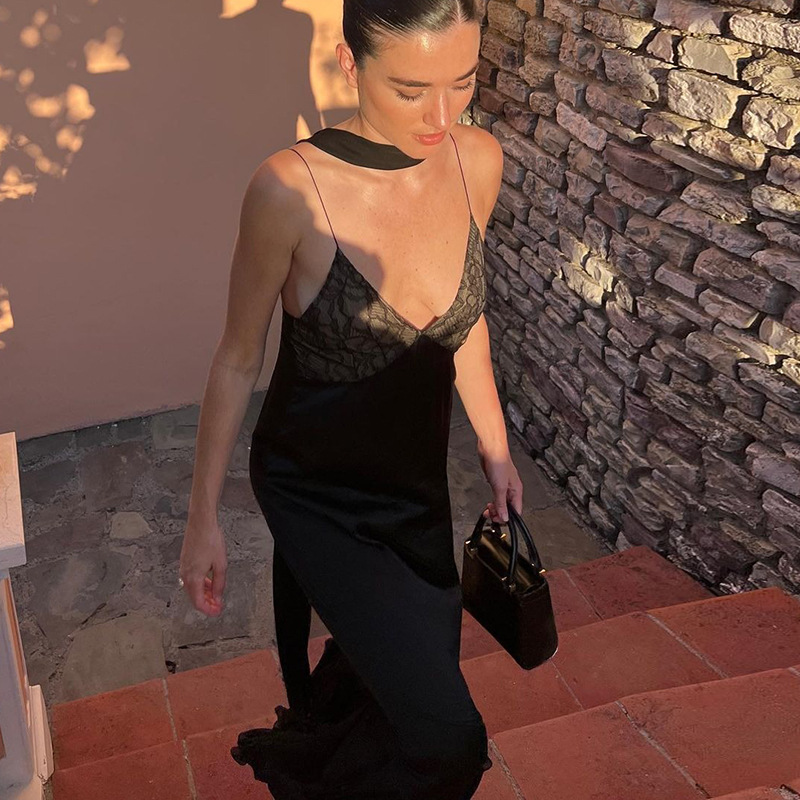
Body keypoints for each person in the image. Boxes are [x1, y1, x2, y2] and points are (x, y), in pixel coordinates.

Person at [179, 0, 524, 797]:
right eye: (410, 89)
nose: (441, 115)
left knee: (393, 685)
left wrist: (495, 445)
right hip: (316, 491)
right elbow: (236, 359)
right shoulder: (288, 191)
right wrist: (203, 519)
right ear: (349, 65)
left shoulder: (478, 162)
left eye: (463, 81)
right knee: (448, 739)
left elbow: (464, 319)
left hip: (415, 487)